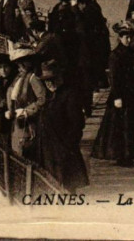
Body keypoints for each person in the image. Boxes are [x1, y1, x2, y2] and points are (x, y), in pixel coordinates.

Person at [91, 26, 134, 166]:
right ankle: (122, 156)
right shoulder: (115, 55)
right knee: (120, 127)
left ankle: (130, 155)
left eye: (130, 37)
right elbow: (114, 78)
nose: (129, 39)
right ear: (120, 38)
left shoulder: (132, 52)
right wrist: (117, 97)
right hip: (121, 95)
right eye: (126, 37)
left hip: (133, 95)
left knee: (132, 126)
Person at [37, 61, 89, 192]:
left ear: (60, 78)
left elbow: (77, 123)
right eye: (46, 81)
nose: (50, 83)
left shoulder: (69, 95)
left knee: (68, 184)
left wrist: (68, 144)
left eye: (52, 80)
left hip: (64, 147)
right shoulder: (50, 96)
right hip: (50, 147)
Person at [5, 46, 47, 160]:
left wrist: (26, 111)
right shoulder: (17, 79)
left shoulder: (33, 78)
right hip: (17, 123)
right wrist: (10, 111)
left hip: (29, 124)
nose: (20, 68)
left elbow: (42, 99)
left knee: (27, 152)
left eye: (22, 64)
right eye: (18, 65)